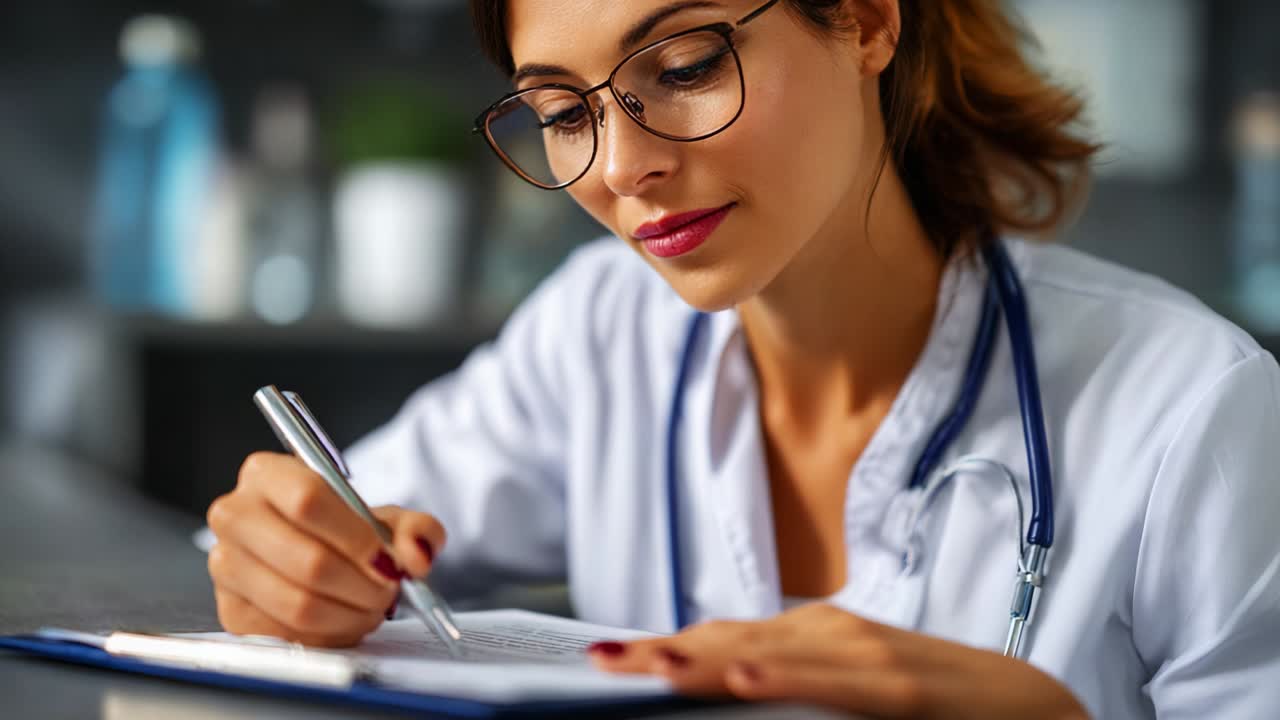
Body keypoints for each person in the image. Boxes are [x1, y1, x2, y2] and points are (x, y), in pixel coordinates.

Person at [204, 1, 1280, 717]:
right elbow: (351, 524)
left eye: (681, 67)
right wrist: (300, 564)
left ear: (862, 20)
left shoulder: (1193, 410)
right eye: (560, 112)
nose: (621, 168)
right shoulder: (599, 331)